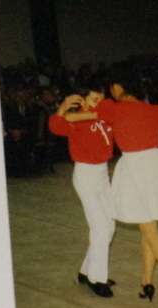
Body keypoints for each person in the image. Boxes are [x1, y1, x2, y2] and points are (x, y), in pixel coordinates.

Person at [94, 79, 158, 308]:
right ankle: (147, 281)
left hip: (135, 168)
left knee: (150, 232)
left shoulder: (113, 108)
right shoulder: (153, 110)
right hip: (156, 164)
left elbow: (93, 111)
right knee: (149, 227)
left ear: (118, 87)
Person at [50, 90, 117, 295]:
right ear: (83, 100)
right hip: (85, 175)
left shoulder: (105, 114)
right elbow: (55, 126)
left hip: (103, 174)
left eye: (101, 99)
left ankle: (86, 271)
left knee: (109, 225)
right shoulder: (76, 119)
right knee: (100, 227)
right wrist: (63, 107)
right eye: (94, 100)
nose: (99, 103)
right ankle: (97, 279)